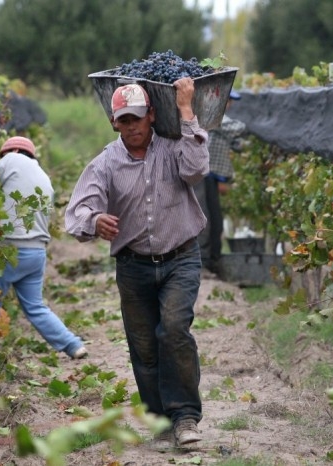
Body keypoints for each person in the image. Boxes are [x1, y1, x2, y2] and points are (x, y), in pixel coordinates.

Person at [64, 78, 208, 449]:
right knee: (143, 347)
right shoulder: (105, 163)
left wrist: (187, 110)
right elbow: (77, 211)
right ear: (114, 123)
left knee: (174, 329)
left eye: (138, 119)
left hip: (181, 257)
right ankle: (161, 422)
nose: (132, 127)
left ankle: (186, 417)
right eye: (124, 121)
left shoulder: (174, 146)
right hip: (133, 266)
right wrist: (95, 221)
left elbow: (196, 170)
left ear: (152, 116)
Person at [0, 136, 88, 372]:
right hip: (36, 253)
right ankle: (72, 344)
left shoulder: (10, 160)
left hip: (10, 251)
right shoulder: (43, 176)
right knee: (36, 306)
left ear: (12, 150)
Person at [194, 90, 247, 275]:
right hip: (202, 173)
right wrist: (257, 128)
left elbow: (237, 143)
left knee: (215, 220)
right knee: (206, 219)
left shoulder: (218, 120)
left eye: (231, 101)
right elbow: (235, 128)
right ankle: (203, 261)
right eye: (227, 99)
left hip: (212, 174)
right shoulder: (210, 116)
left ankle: (212, 261)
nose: (230, 104)